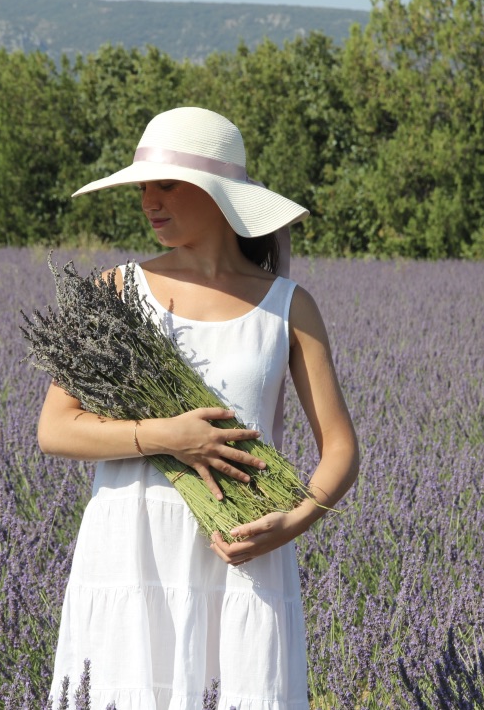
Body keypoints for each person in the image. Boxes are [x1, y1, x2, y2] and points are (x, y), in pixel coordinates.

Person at [38, 106, 359, 708]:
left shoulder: (289, 306)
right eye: (142, 188)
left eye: (167, 185)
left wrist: (292, 524)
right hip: (132, 546)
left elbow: (340, 450)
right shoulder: (114, 293)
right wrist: (167, 436)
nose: (148, 202)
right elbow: (56, 428)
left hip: (243, 550)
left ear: (219, 197)